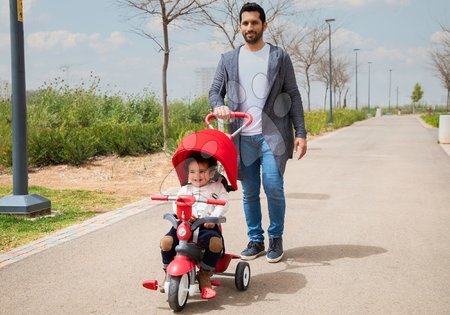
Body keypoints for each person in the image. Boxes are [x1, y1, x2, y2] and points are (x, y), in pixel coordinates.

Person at [209, 2, 307, 263]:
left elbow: (294, 95)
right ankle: (256, 239)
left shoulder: (279, 57)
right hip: (241, 136)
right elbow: (214, 92)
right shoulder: (228, 59)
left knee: (273, 186)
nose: (249, 27)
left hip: (273, 135)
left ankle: (275, 237)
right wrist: (218, 106)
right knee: (250, 191)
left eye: (254, 22)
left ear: (264, 25)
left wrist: (302, 132)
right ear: (240, 26)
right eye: (245, 23)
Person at [160, 152, 229, 299]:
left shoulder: (217, 188)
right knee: (166, 242)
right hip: (184, 224)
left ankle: (204, 273)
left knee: (215, 244)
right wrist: (180, 213)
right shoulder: (185, 189)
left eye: (202, 171)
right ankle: (167, 272)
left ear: (211, 172)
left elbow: (223, 203)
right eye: (192, 172)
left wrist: (213, 217)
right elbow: (176, 202)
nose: (197, 175)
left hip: (206, 226)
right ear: (187, 173)